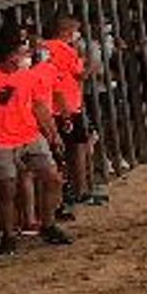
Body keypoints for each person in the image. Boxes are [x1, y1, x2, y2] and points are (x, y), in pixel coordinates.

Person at [0, 37, 73, 253]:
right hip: (0, 140)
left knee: (53, 179)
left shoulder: (29, 76)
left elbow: (39, 106)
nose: (28, 56)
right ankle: (8, 235)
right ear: (11, 56)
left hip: (30, 136)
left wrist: (53, 134)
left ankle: (48, 224)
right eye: (23, 53)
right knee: (6, 189)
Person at [44, 17, 98, 215]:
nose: (77, 35)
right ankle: (79, 191)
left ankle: (72, 192)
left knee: (64, 152)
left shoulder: (46, 48)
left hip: (54, 107)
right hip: (68, 106)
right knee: (77, 148)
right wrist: (92, 63)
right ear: (66, 31)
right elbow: (81, 74)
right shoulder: (65, 49)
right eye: (76, 31)